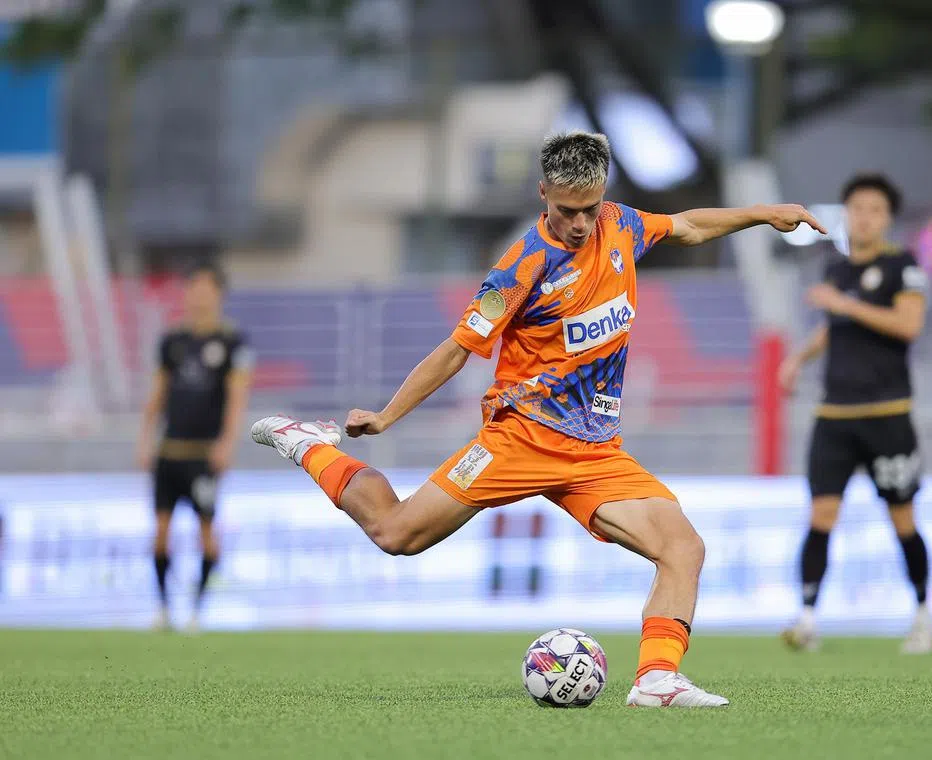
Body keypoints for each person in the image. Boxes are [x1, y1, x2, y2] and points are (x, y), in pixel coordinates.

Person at [251, 131, 823, 707]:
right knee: (396, 533)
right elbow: (456, 349)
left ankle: (656, 678)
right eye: (567, 210)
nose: (580, 223)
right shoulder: (519, 268)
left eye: (590, 209)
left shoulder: (620, 225)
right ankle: (309, 445)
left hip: (597, 453)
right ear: (543, 192)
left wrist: (762, 214)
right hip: (520, 437)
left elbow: (687, 225)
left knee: (684, 548)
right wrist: (386, 417)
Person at [778, 173, 932, 654]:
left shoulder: (902, 266)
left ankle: (923, 613)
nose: (863, 217)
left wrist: (843, 303)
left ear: (887, 219)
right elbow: (834, 327)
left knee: (902, 519)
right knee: (821, 514)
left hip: (887, 413)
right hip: (835, 415)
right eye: (856, 208)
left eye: (874, 210)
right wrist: (799, 359)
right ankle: (806, 619)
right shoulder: (838, 270)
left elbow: (908, 325)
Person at [137, 262, 253, 632]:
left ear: (218, 295)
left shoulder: (233, 343)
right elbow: (157, 396)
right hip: (170, 451)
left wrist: (227, 443)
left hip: (204, 455)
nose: (199, 296)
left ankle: (197, 611)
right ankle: (163, 608)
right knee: (159, 531)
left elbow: (237, 399)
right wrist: (145, 438)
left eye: (207, 289)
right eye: (194, 288)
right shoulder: (172, 342)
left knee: (206, 532)